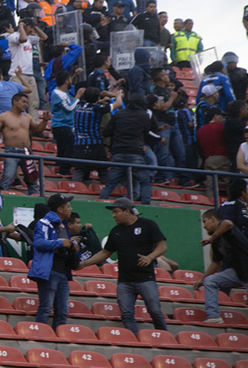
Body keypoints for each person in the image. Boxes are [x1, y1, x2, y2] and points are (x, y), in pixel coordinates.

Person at [78, 197, 168, 335]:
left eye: (116, 211)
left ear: (127, 211)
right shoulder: (116, 231)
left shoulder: (148, 224)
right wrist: (84, 263)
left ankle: (164, 336)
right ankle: (134, 339)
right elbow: (105, 252)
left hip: (145, 278)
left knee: (155, 311)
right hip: (124, 280)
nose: (113, 215)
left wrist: (150, 257)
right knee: (126, 314)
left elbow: (162, 246)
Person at [99, 93, 162, 205]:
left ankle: (100, 204)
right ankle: (146, 206)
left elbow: (106, 132)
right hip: (135, 153)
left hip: (118, 153)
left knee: (111, 184)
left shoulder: (119, 114)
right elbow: (146, 133)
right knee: (145, 181)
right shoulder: (144, 116)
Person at [30, 193, 77, 328]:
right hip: (49, 271)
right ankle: (40, 337)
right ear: (60, 209)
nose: (71, 208)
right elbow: (38, 243)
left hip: (62, 272)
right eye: (68, 206)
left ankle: (59, 339)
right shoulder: (44, 223)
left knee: (63, 311)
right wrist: (61, 243)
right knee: (46, 308)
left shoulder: (62, 225)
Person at [195, 208, 248, 324]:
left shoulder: (225, 228)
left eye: (205, 221)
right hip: (239, 272)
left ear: (212, 219)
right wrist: (202, 279)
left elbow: (228, 223)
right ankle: (214, 316)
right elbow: (216, 263)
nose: (204, 226)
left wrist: (211, 238)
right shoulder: (216, 241)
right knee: (210, 281)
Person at [0, 93, 51, 195]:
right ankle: (0, 199)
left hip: (26, 151)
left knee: (32, 178)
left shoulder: (27, 117)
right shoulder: (3, 117)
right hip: (11, 151)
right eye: (23, 102)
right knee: (8, 177)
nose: (26, 105)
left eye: (27, 103)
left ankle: (35, 199)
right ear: (15, 102)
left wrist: (45, 121)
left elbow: (38, 129)